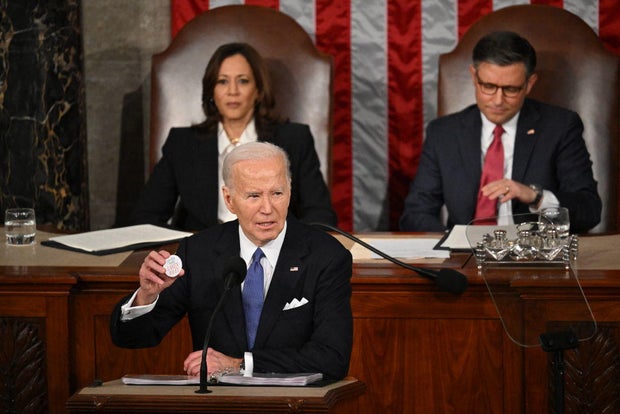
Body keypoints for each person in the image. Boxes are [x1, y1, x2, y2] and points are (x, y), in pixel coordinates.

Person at [110, 141, 353, 381]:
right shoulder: (198, 253)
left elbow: (332, 358)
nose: (267, 208)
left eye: (277, 193)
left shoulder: (326, 256)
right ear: (229, 199)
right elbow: (133, 338)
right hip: (218, 403)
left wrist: (239, 365)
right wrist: (146, 296)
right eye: (254, 196)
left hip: (294, 404)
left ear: (290, 192)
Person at [400, 31, 601, 233]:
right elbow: (416, 214)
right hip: (463, 258)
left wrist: (536, 197)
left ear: (529, 84)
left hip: (534, 257)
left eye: (511, 89)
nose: (497, 100)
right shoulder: (443, 133)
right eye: (488, 86)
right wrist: (452, 241)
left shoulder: (560, 127)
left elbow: (589, 210)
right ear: (473, 76)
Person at [131, 42, 337, 231]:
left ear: (258, 91)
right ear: (212, 91)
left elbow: (320, 216)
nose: (232, 91)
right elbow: (146, 217)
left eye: (243, 81)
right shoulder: (183, 143)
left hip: (274, 254)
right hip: (203, 256)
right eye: (222, 82)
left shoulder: (294, 139)